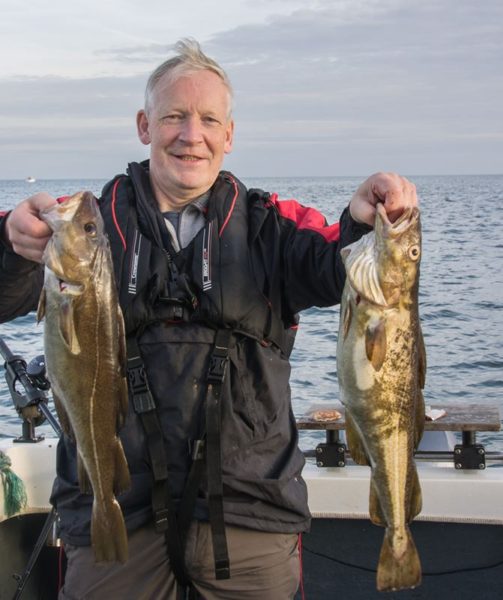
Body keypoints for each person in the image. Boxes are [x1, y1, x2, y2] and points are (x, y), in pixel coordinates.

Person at [0, 39, 418, 600]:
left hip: (250, 512)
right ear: (145, 125)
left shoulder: (274, 225)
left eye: (208, 119)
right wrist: (10, 244)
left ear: (229, 135)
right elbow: (9, 296)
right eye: (174, 116)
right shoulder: (87, 228)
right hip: (117, 509)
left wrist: (364, 224)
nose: (190, 134)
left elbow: (332, 267)